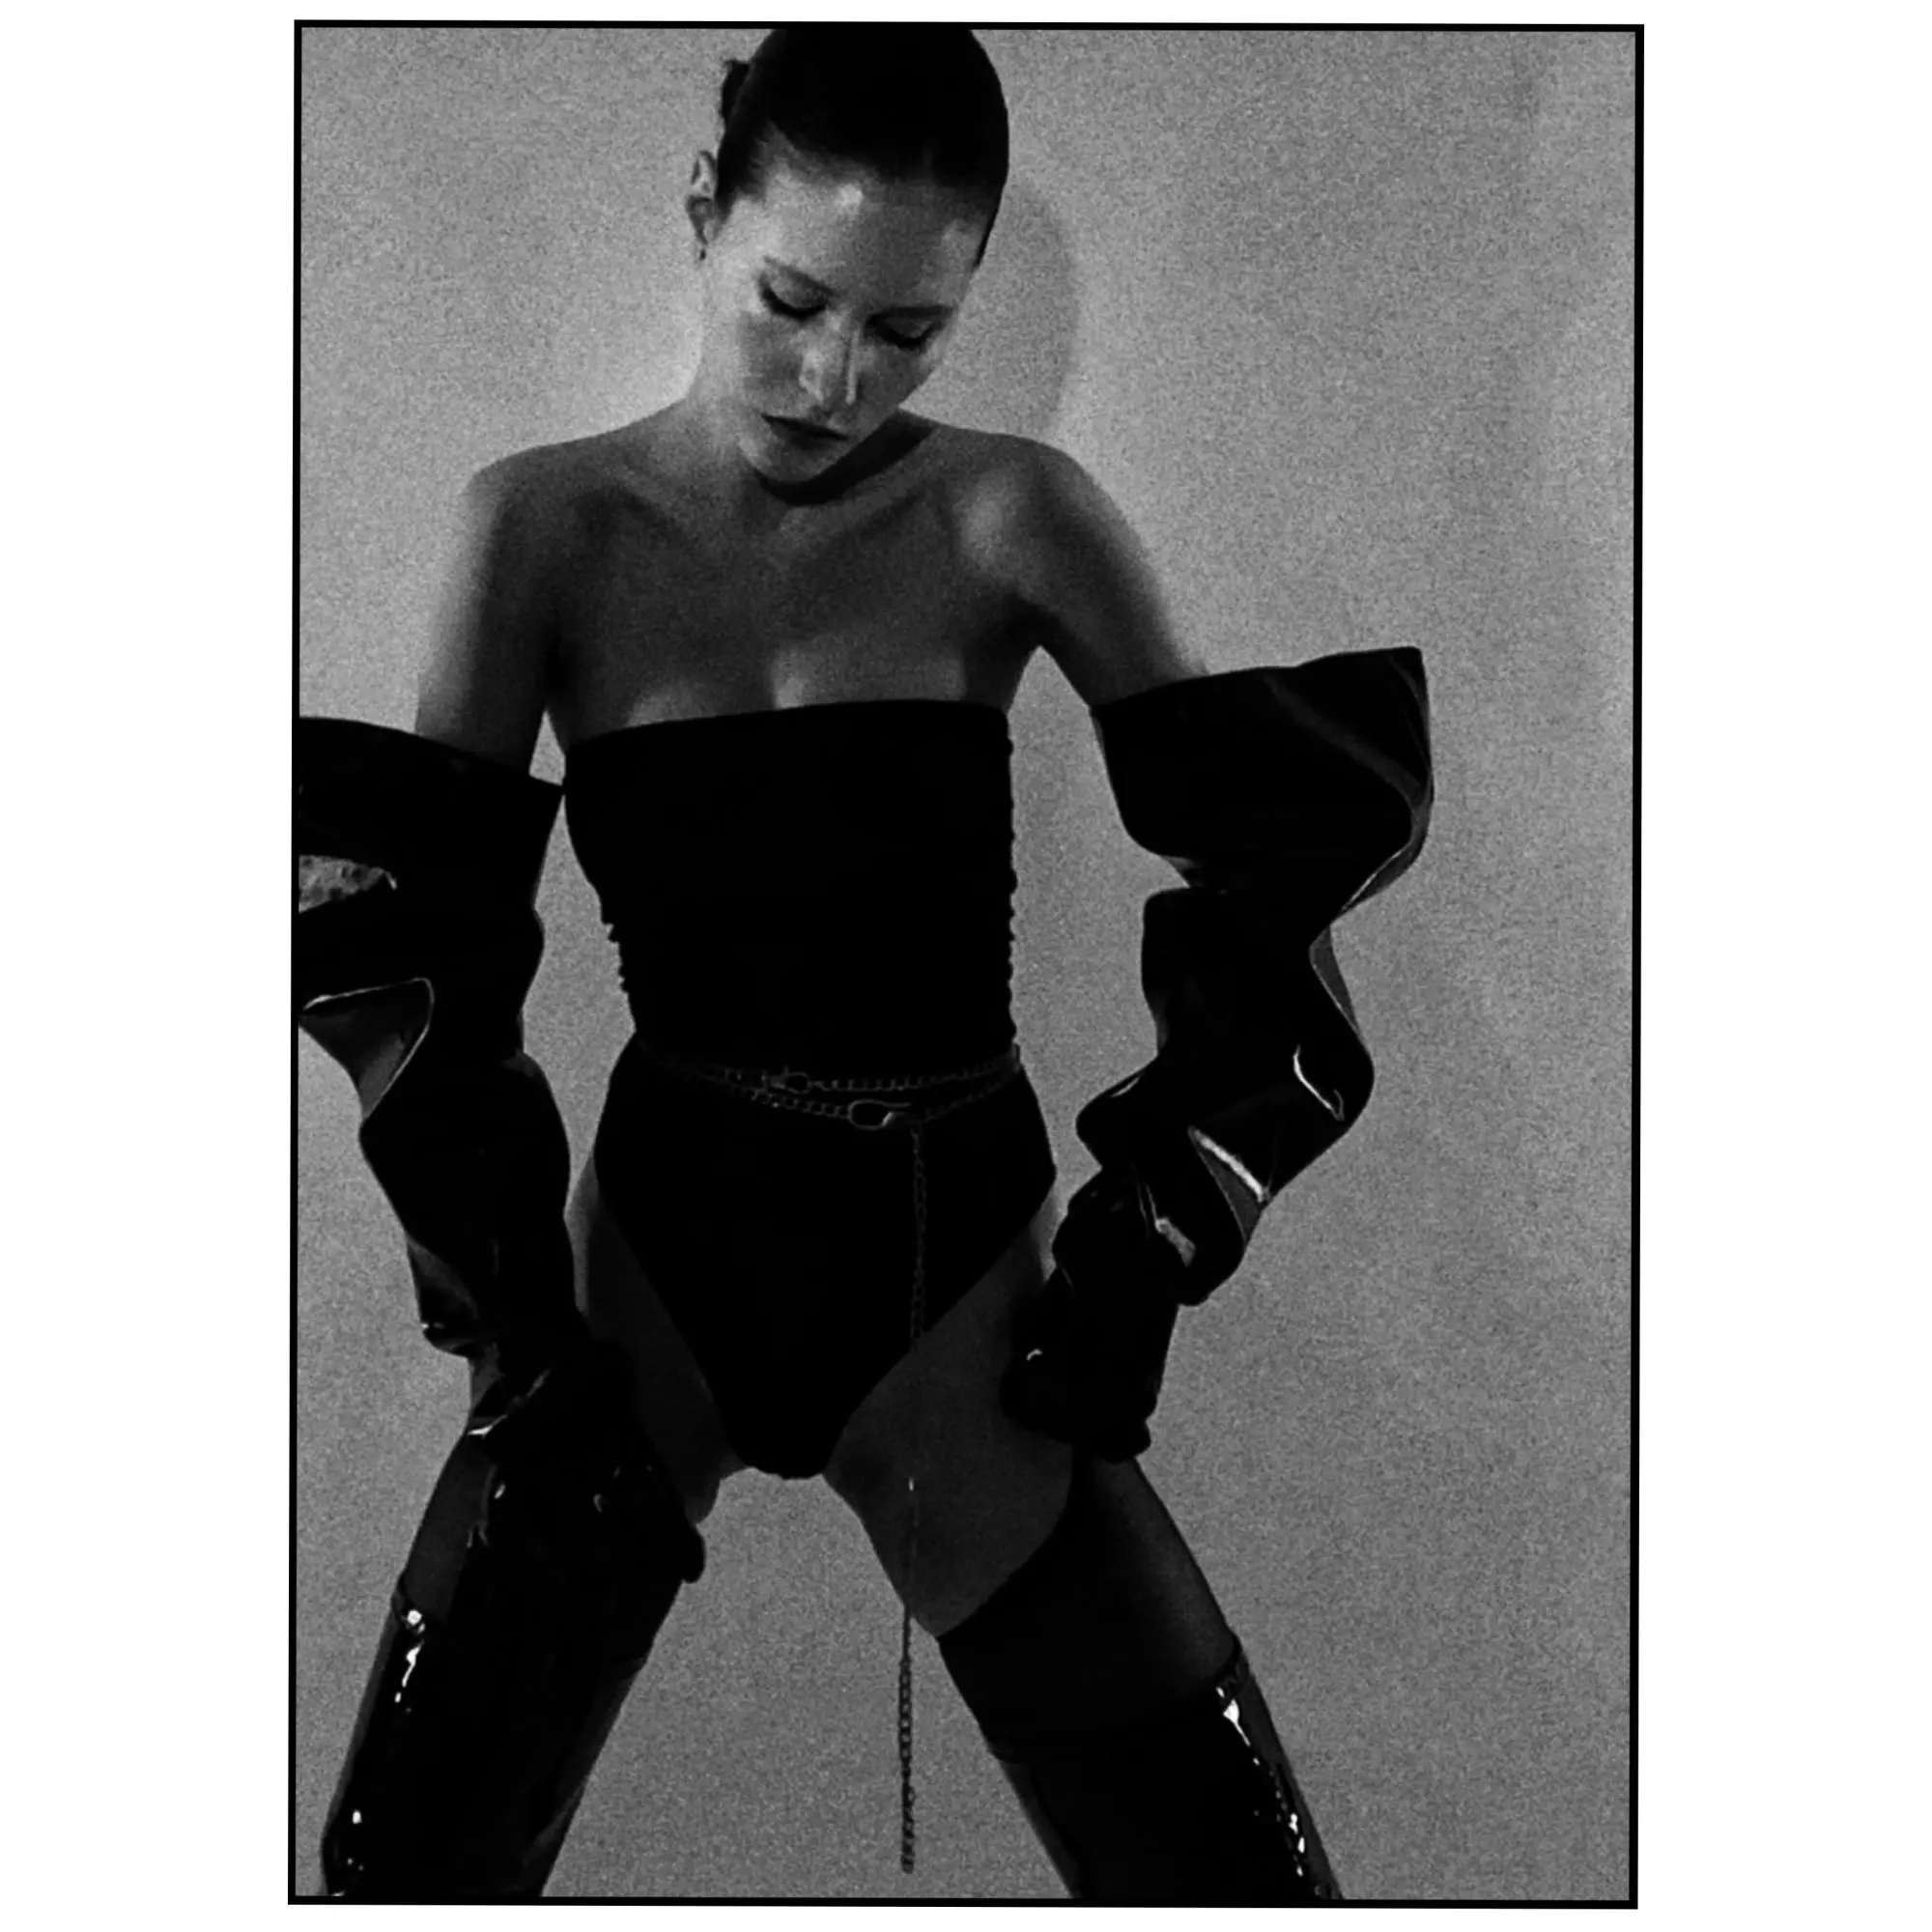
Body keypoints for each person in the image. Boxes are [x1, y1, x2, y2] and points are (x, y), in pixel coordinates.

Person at [296, 25, 1433, 1901]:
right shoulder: (541, 527)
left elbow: (1276, 852)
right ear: (703, 213)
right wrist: (518, 1342)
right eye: (792, 301)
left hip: (953, 1276)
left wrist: (1156, 1227)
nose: (836, 378)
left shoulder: (1013, 512)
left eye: (910, 331)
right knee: (404, 1870)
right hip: (651, 1275)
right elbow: (418, 959)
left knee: (1230, 1881)